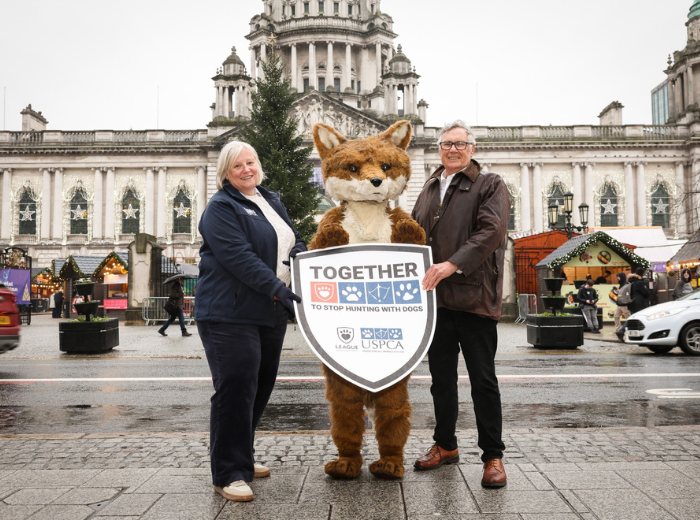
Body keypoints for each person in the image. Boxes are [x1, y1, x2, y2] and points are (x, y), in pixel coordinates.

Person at [195, 141, 305, 502]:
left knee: (259, 388)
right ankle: (228, 472)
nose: (246, 169)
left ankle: (242, 454)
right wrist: (277, 288)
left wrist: (302, 253)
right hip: (229, 312)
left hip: (269, 311)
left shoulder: (270, 201)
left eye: (251, 162)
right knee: (236, 388)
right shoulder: (221, 207)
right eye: (237, 165)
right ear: (226, 173)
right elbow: (238, 257)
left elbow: (292, 239)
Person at [411, 120, 510, 488]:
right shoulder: (429, 187)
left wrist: (451, 264)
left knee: (483, 381)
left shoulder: (489, 184)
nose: (452, 149)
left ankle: (493, 456)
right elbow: (413, 234)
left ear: (472, 149)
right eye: (446, 144)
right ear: (439, 149)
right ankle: (445, 444)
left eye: (460, 144)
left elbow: (491, 231)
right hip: (436, 301)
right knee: (441, 381)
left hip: (474, 298)